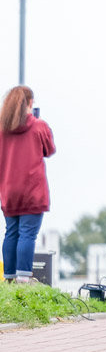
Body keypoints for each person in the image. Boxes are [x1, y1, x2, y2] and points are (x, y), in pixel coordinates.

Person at [0, 87, 55, 283]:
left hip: (9, 190)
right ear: (30, 103)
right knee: (28, 234)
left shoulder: (1, 128)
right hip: (32, 190)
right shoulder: (39, 126)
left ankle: (9, 278)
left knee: (11, 232)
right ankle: (24, 278)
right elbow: (48, 150)